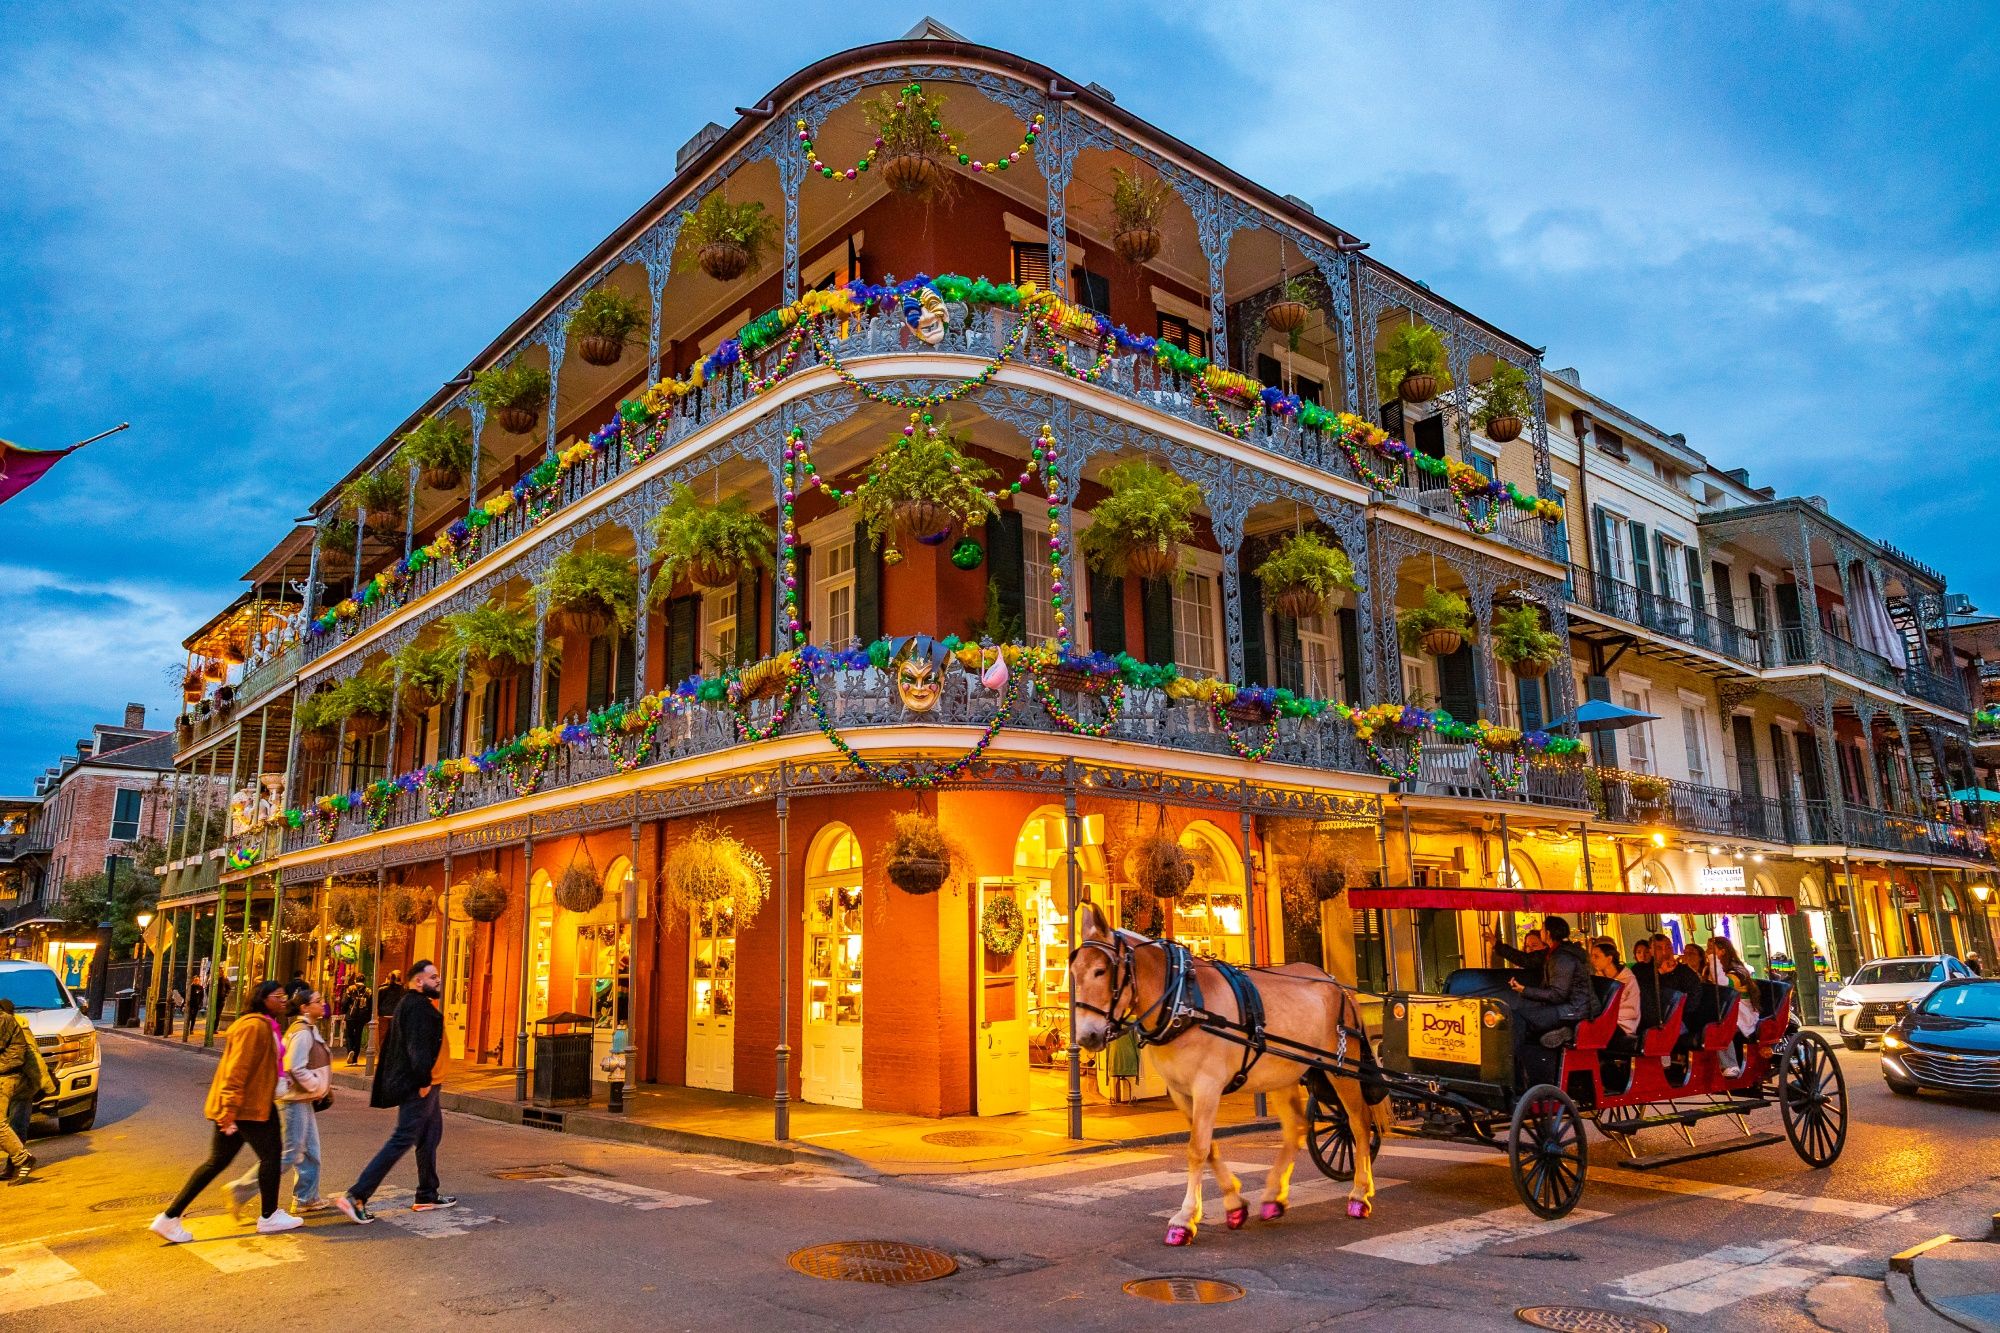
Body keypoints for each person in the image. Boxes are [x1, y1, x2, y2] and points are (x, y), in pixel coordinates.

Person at [149, 980, 304, 1243]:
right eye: (277, 996)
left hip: (247, 1105)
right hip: (250, 1107)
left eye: (284, 996)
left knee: (217, 1162)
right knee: (271, 1156)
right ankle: (269, 1215)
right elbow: (236, 1070)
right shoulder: (254, 1026)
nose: (282, 1000)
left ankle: (170, 1217)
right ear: (262, 998)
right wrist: (229, 1109)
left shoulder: (263, 1025)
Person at [337, 959, 453, 1223]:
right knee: (402, 1138)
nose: (438, 981)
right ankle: (356, 1196)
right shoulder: (417, 1008)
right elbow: (417, 1049)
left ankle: (427, 1193)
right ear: (418, 981)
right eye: (433, 977)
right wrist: (424, 1082)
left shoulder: (416, 1005)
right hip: (420, 1085)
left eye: (438, 976)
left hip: (429, 1083)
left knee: (430, 1136)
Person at [228, 984, 332, 1218]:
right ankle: (241, 1189)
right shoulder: (302, 1032)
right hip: (294, 1099)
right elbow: (293, 1066)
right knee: (290, 1153)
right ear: (305, 1008)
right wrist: (316, 1084)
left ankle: (306, 1196)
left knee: (311, 1150)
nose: (322, 1004)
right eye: (317, 1000)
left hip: (303, 1098)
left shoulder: (309, 1028)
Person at [1507, 915, 1595, 1051]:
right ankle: (1562, 1032)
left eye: (1542, 928)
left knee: (1518, 1017)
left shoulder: (1563, 957)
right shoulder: (1559, 953)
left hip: (1574, 1011)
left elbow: (1557, 994)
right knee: (1525, 1011)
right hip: (1572, 1008)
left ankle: (1513, 1063)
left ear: (1548, 933)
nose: (1540, 931)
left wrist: (1524, 990)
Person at [1707, 936, 1761, 1077]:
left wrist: (1713, 959)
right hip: (1726, 1010)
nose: (1708, 952)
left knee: (1720, 1028)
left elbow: (1723, 984)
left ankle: (1730, 1065)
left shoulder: (1738, 972)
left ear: (1722, 951)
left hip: (1742, 1014)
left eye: (1712, 950)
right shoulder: (1719, 968)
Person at [0, 1000, 36, 1181]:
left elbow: (32, 1062)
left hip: (8, 1078)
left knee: (11, 1125)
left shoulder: (4, 1020)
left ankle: (22, 1159)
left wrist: (45, 1085)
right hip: (9, 1078)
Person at [1591, 937, 1640, 1041]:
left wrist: (1607, 1016)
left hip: (1623, 1026)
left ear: (1609, 959)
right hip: (1604, 1021)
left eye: (1596, 956)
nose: (1592, 960)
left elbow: (1632, 1010)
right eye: (1592, 956)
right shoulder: (1598, 978)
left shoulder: (1628, 980)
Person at [1483, 925, 1549, 988]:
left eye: (1534, 945)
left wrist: (1498, 945)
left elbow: (1523, 959)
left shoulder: (1546, 960)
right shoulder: (1526, 967)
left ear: (1545, 947)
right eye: (1527, 946)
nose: (1530, 949)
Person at [342, 980, 371, 1066]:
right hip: (361, 1017)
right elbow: (370, 1005)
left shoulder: (350, 989)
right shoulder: (368, 991)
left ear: (356, 980)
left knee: (349, 1034)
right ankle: (355, 1059)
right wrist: (368, 1018)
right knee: (358, 1035)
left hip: (351, 1015)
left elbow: (345, 1002)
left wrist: (344, 1011)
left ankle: (350, 1050)